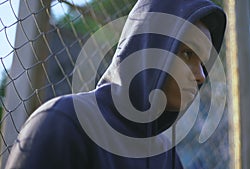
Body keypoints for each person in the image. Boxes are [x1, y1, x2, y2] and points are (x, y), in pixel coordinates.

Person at [5, 0, 226, 168]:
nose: (201, 76)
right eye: (187, 53)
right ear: (150, 46)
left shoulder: (166, 157)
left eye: (204, 65)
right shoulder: (64, 122)